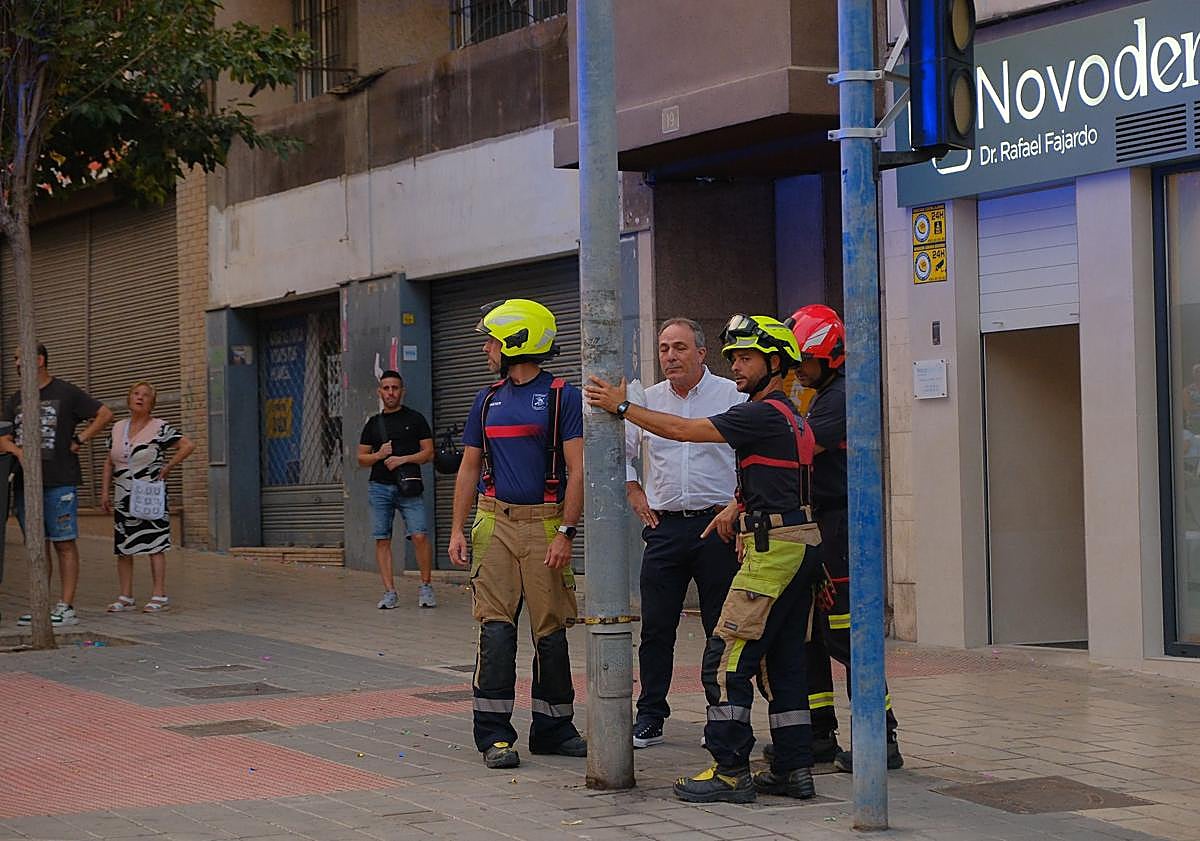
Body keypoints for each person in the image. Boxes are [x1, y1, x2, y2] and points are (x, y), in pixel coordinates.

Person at [587, 314, 823, 805]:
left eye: (747, 358)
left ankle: (731, 770)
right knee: (782, 664)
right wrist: (739, 506)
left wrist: (622, 404)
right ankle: (794, 768)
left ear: (775, 362)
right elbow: (782, 480)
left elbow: (681, 429)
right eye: (733, 357)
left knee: (725, 662)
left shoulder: (758, 412)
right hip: (794, 545)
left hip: (771, 553)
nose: (737, 367)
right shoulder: (792, 417)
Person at [448, 298, 587, 771]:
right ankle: (494, 736)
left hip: (546, 523)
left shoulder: (562, 396)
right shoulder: (486, 399)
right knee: (497, 633)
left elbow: (577, 469)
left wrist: (566, 532)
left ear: (515, 343)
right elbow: (469, 468)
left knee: (550, 634)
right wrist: (458, 529)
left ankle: (553, 729)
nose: (486, 348)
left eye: (491, 340)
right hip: (495, 523)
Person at [789, 304, 903, 772]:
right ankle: (819, 734)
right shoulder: (819, 395)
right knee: (810, 636)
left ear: (830, 356)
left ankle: (882, 738)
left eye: (805, 362)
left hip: (841, 528)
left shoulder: (839, 398)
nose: (799, 371)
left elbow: (801, 449)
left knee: (846, 636)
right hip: (823, 525)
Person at [626, 317, 744, 749]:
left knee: (721, 626)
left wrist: (738, 504)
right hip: (664, 528)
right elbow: (620, 449)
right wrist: (632, 486)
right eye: (663, 348)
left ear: (701, 352)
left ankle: (720, 716)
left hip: (718, 528)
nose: (670, 356)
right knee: (656, 627)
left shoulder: (730, 395)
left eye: (679, 347)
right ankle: (651, 714)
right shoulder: (647, 401)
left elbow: (751, 453)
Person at [0, 343, 113, 627]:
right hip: (26, 483)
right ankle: (42, 605)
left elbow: (104, 414)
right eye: (14, 360)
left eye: (19, 358)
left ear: (38, 360)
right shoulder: (15, 399)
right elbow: (3, 438)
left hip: (60, 479)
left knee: (63, 542)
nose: (15, 364)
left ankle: (66, 606)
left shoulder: (66, 392)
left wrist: (80, 440)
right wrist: (18, 452)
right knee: (37, 545)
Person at [100, 382, 196, 613]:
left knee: (155, 542)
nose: (140, 398)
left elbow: (187, 445)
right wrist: (104, 491)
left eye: (145, 395)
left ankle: (159, 595)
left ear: (152, 402)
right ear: (128, 398)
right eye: (135, 393)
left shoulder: (159, 427)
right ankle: (125, 596)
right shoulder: (118, 427)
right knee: (123, 546)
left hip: (149, 492)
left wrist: (168, 466)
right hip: (123, 493)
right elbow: (108, 461)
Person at [357, 370, 436, 609]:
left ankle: (426, 586)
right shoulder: (373, 423)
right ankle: (390, 591)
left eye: (395, 388)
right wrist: (379, 455)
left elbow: (428, 453)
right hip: (379, 487)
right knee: (382, 538)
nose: (391, 392)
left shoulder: (415, 419)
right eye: (386, 388)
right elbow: (360, 458)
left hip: (409, 486)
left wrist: (402, 459)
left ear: (403, 391)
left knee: (420, 535)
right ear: (379, 392)